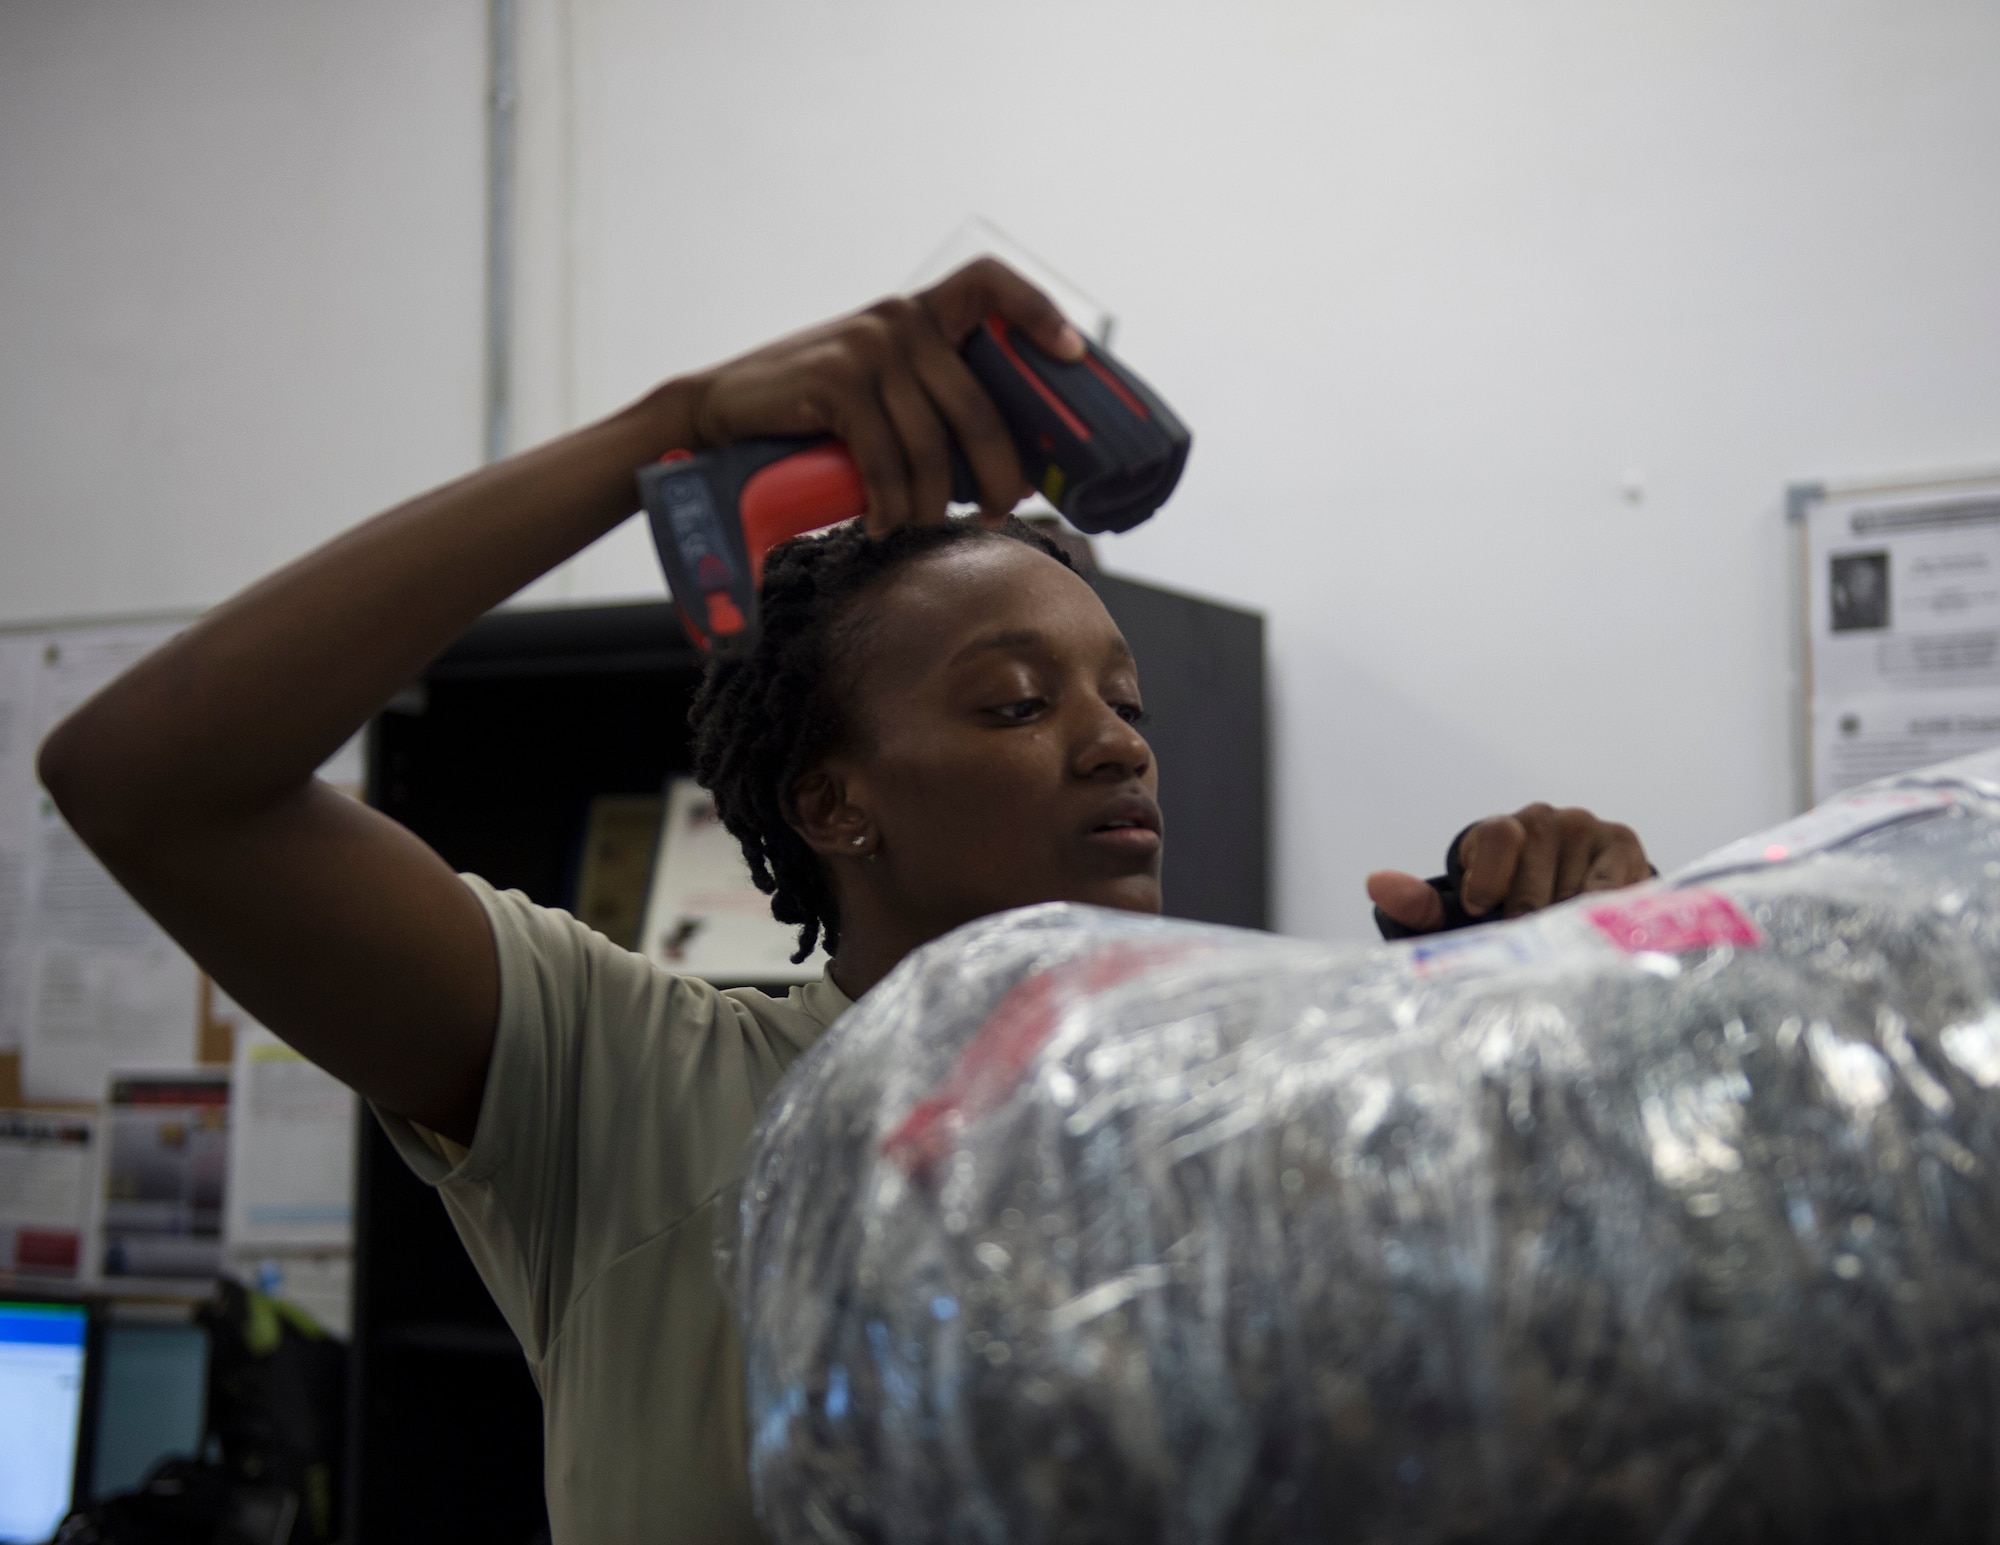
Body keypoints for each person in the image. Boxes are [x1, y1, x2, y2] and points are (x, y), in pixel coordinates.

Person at [37, 258, 1652, 1544]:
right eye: (1018, 703)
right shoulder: (628, 1083)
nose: (1110, 743)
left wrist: (1584, 1030)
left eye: (1128, 701)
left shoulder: (1247, 1120)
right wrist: (655, 436)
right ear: (833, 801)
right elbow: (150, 779)